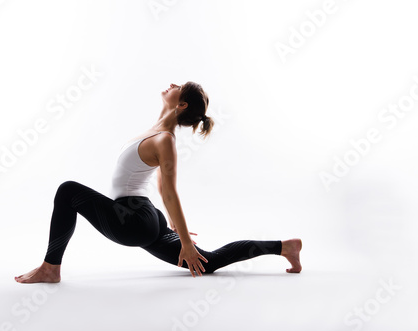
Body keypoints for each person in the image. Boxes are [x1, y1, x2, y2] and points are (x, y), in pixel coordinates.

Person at [15, 82, 302, 283]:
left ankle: (51, 268)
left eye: (177, 87)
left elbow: (171, 193)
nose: (171, 84)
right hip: (144, 216)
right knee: (208, 262)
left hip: (133, 219)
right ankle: (285, 247)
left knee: (67, 191)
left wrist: (186, 243)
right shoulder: (157, 132)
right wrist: (175, 228)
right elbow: (162, 187)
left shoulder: (165, 140)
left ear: (182, 104)